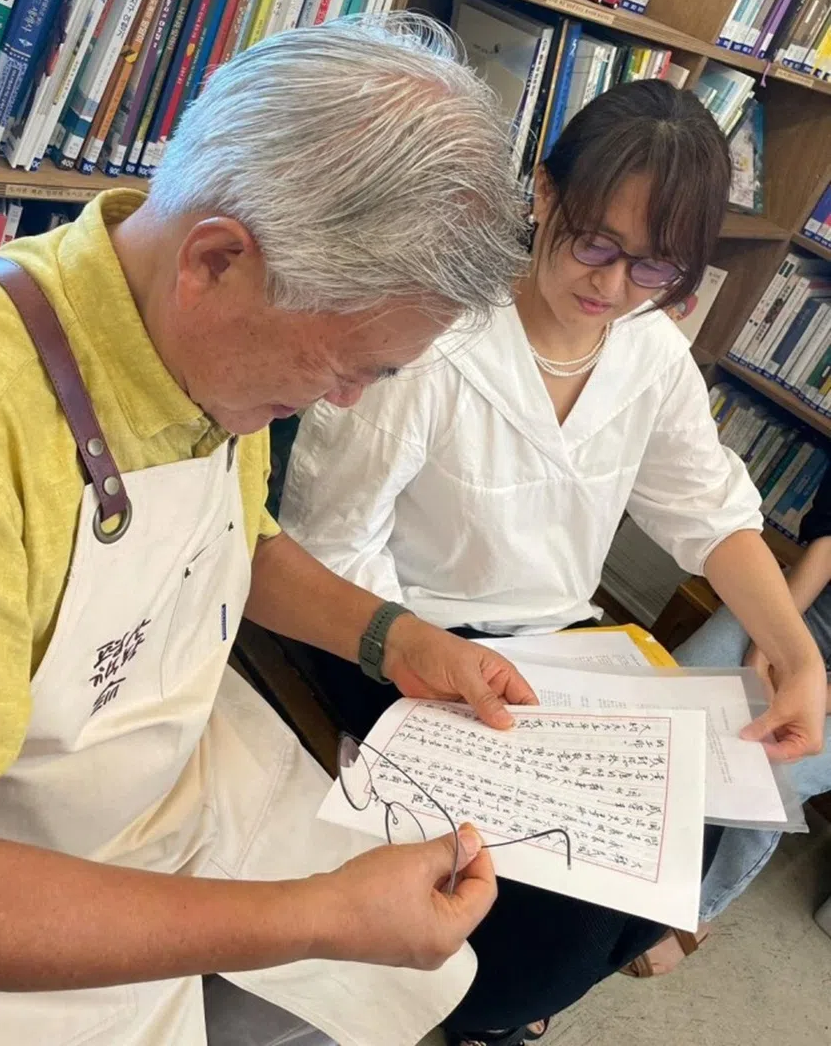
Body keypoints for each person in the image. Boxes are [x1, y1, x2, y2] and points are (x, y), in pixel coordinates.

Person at [0, 14, 539, 1046]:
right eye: (349, 364)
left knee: (429, 963)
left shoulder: (196, 338)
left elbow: (232, 538)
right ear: (215, 260)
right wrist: (313, 919)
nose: (344, 403)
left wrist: (394, 638)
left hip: (161, 791)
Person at [279, 79, 827, 1043]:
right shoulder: (436, 340)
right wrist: (423, 666)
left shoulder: (648, 353)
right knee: (562, 897)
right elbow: (331, 547)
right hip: (400, 637)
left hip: (557, 653)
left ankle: (499, 1005)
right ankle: (480, 1015)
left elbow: (707, 506)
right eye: (594, 244)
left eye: (653, 268)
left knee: (673, 832)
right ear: (541, 194)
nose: (611, 287)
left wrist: (794, 646)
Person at [637, 466, 831, 973]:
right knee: (682, 689)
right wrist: (773, 649)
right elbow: (829, 537)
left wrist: (809, 689)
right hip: (817, 610)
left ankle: (694, 911)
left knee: (776, 772)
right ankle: (618, 839)